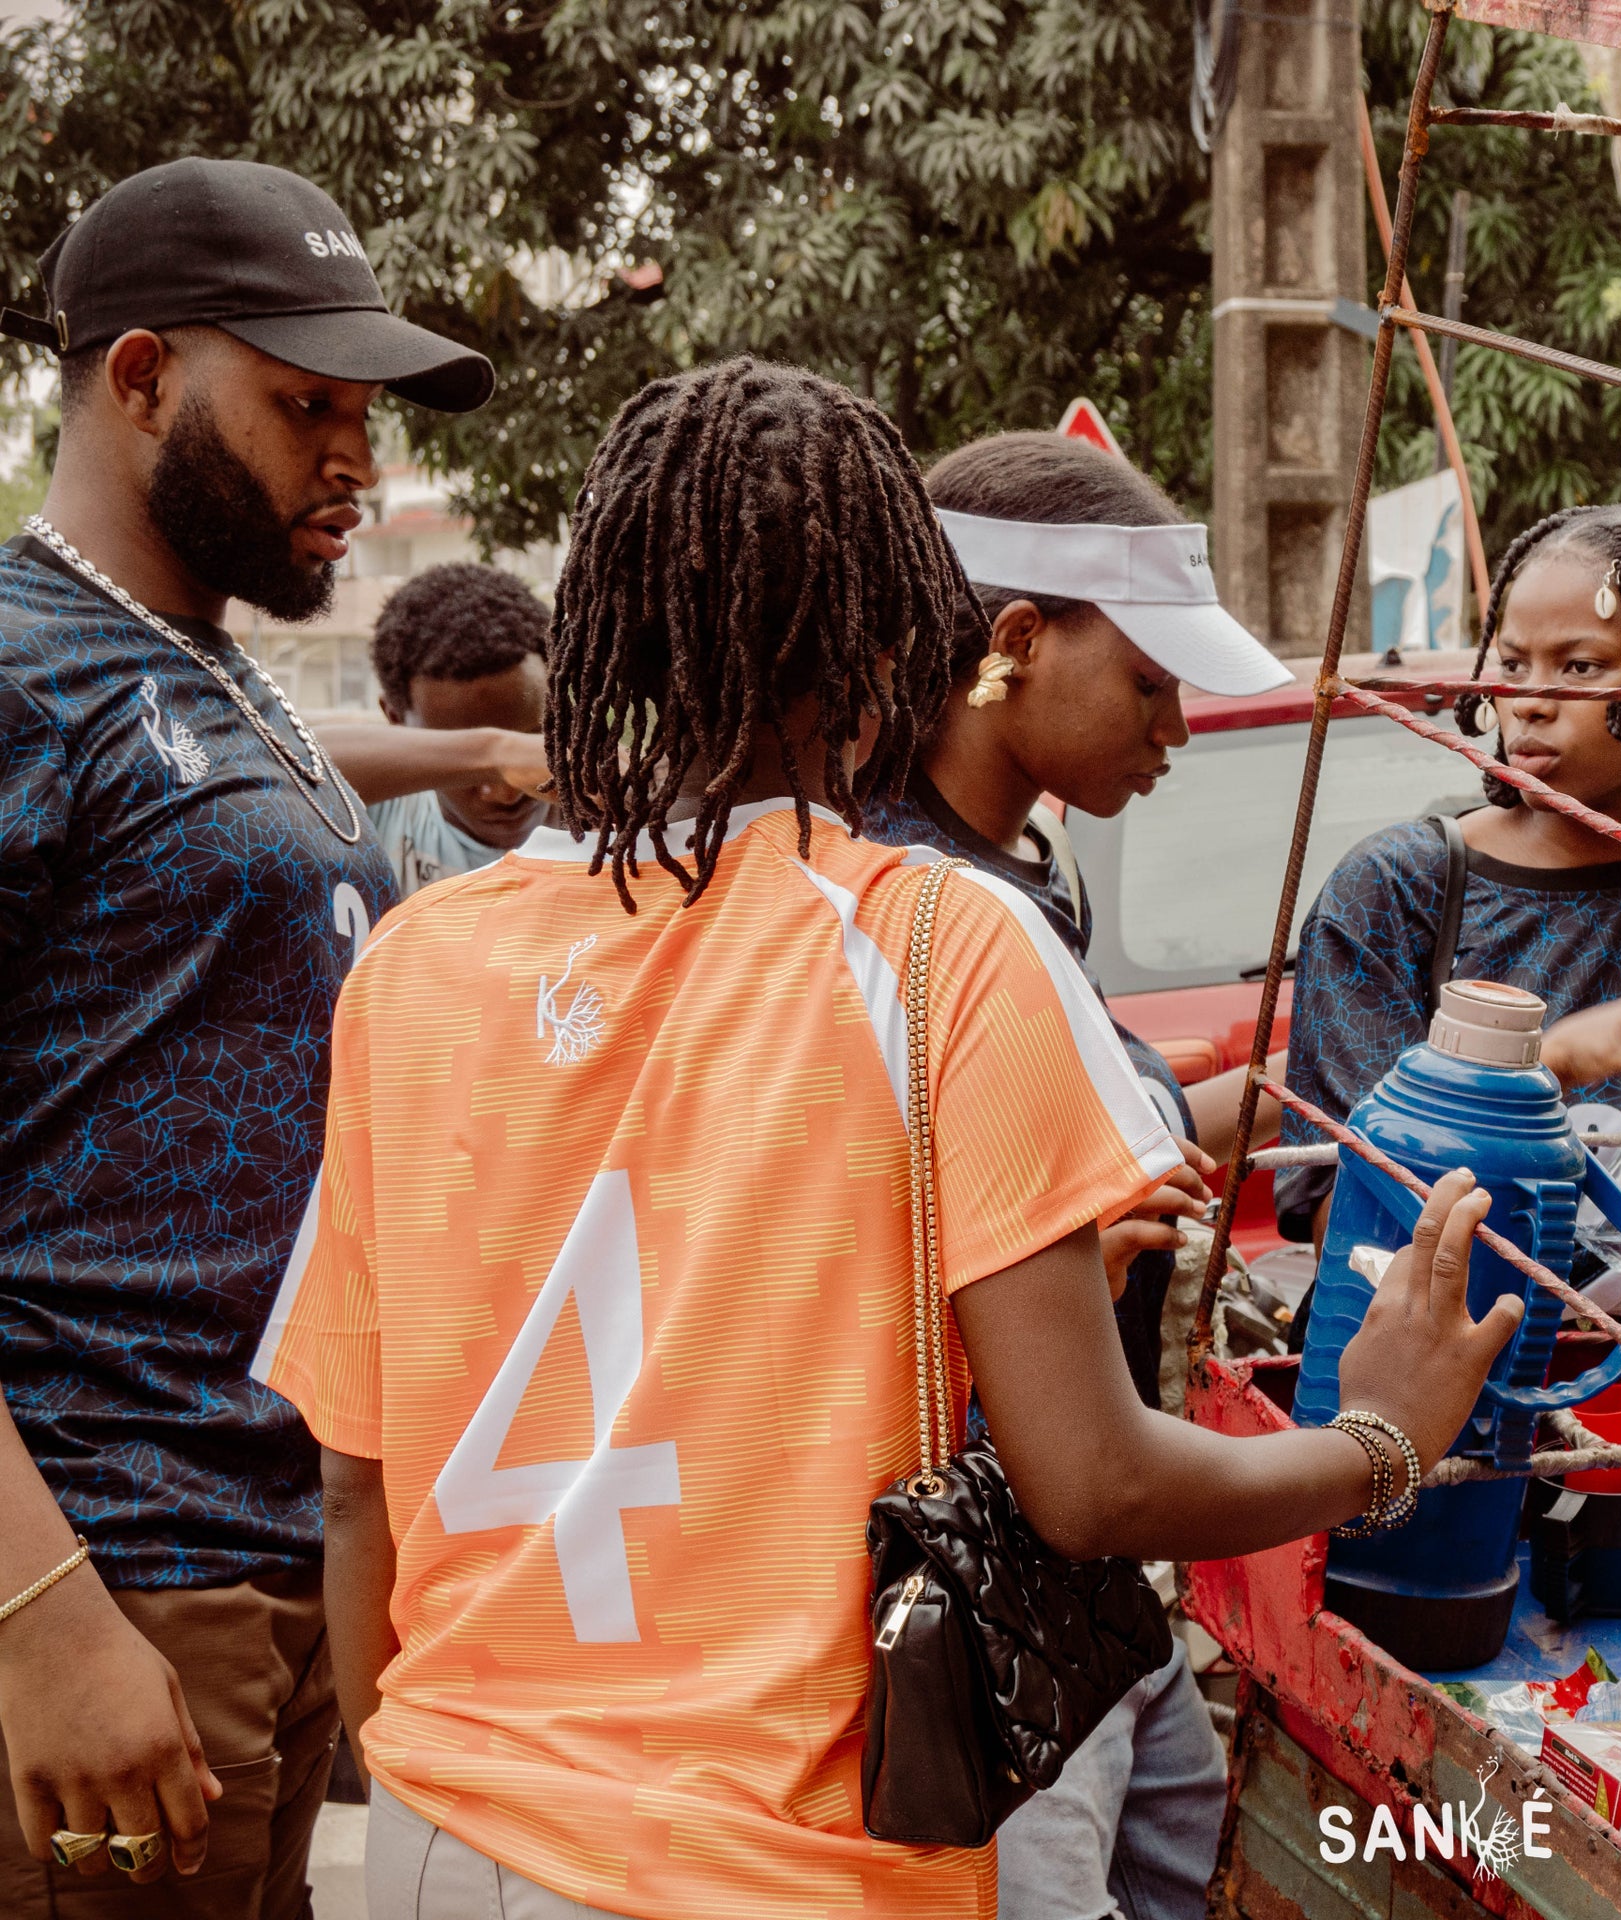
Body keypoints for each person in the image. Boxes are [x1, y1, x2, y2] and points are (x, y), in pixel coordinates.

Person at [252, 357, 1522, 1920]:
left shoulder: (416, 963)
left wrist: (443, 1771)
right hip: (777, 1865)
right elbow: (1092, 1487)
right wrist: (1380, 1442)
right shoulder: (939, 944)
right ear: (883, 649)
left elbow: (355, 1490)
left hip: (446, 1836)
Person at [0, 157, 491, 1916]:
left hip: (272, 1564)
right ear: (137, 379)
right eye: (303, 409)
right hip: (107, 1577)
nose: (354, 463)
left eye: (361, 416)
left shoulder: (203, 666)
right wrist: (42, 1624)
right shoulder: (15, 665)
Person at [863, 430, 1289, 1920]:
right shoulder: (901, 907)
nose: (1178, 724)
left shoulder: (1024, 869)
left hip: (1082, 1555)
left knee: (1178, 1830)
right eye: (1153, 682)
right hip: (985, 1561)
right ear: (1016, 644)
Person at [1275, 504, 1621, 1324]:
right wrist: (1543, 1066)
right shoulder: (1396, 890)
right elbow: (1334, 1220)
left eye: (1580, 667)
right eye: (1512, 663)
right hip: (1421, 1399)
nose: (1529, 700)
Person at [316, 561, 555, 895]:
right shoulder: (384, 813)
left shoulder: (607, 825)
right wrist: (500, 755)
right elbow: (291, 761)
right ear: (396, 719)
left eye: (535, 738)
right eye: (465, 747)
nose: (507, 792)